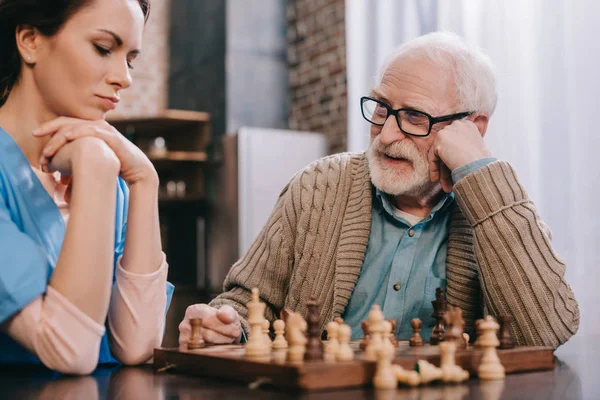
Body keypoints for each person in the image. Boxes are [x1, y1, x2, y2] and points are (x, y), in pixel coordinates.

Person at [179, 32, 579, 350]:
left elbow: (543, 334)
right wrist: (224, 325)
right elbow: (247, 302)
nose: (386, 134)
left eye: (414, 116)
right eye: (382, 108)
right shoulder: (316, 185)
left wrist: (481, 172)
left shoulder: (497, 202)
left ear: (471, 127)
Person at [0, 0, 173, 374]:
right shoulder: (97, 168)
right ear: (30, 40)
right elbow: (69, 351)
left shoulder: (112, 181)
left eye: (130, 60)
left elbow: (138, 345)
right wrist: (95, 162)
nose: (124, 78)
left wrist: (145, 180)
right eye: (103, 48)